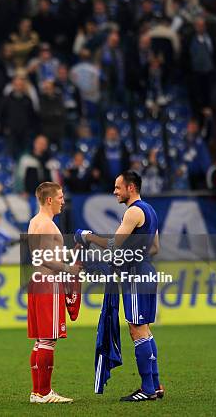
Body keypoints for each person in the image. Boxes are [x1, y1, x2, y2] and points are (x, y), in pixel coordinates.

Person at [75, 171, 164, 401]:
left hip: (135, 273)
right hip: (146, 270)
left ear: (131, 187)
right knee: (144, 328)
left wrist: (88, 237)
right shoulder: (150, 210)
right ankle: (154, 384)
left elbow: (114, 244)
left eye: (118, 187)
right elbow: (155, 248)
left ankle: (147, 389)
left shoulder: (133, 212)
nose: (114, 191)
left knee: (137, 329)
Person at [27, 182, 75, 404]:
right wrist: (68, 269)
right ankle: (44, 393)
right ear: (49, 200)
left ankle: (37, 392)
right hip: (48, 283)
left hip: (37, 282)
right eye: (60, 197)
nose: (62, 201)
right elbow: (44, 258)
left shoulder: (34, 222)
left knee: (40, 340)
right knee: (48, 339)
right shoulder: (47, 224)